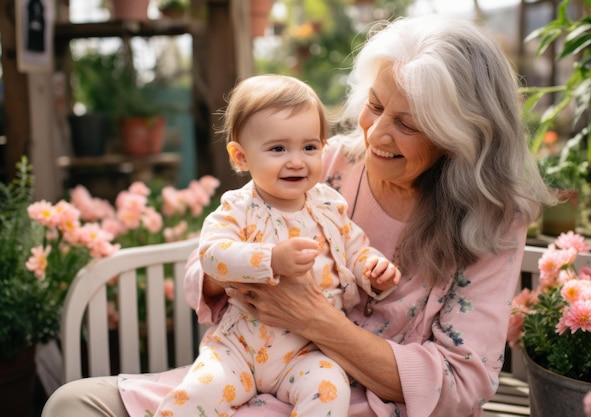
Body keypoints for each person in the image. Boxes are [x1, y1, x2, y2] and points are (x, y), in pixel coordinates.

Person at [42, 14, 555, 417]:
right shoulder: (320, 162)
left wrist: (315, 318)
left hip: (355, 402)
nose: (376, 136)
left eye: (408, 124)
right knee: (73, 404)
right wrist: (235, 271)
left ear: (459, 137)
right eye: (375, 106)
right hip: (252, 371)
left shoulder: (493, 217)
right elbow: (218, 250)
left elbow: (463, 386)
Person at [154, 74, 401, 417]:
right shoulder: (237, 208)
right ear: (241, 157)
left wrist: (372, 268)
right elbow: (212, 256)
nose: (297, 160)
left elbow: (354, 248)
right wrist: (271, 259)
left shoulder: (329, 205)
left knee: (330, 391)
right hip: (237, 347)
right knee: (195, 396)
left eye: (309, 147)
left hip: (305, 352)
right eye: (278, 149)